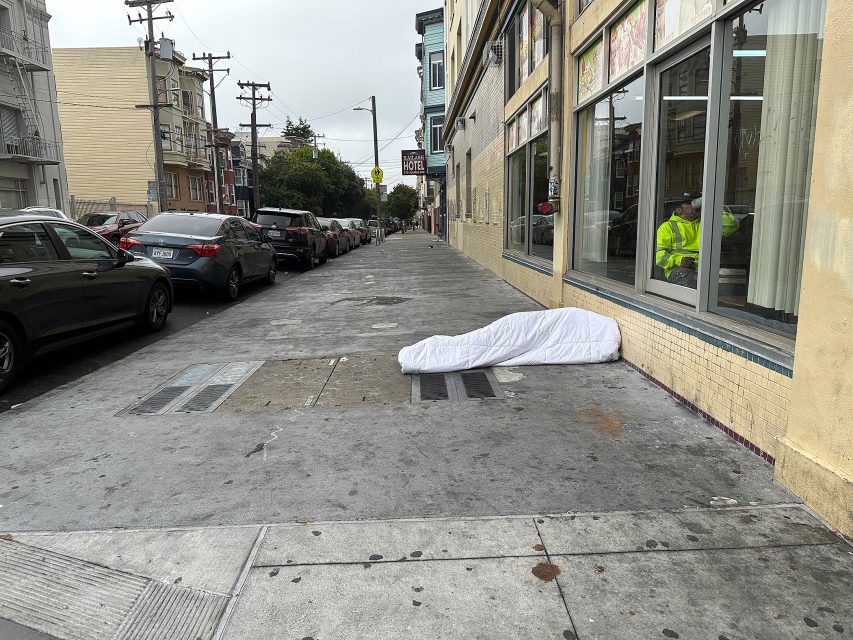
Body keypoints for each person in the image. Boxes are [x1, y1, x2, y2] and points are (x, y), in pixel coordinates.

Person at [655, 193, 739, 288]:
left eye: (695, 202)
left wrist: (713, 209)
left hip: (706, 268)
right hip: (679, 269)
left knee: (730, 284)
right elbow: (659, 256)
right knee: (689, 280)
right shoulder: (667, 227)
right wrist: (679, 260)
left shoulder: (706, 222)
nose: (694, 205)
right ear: (679, 210)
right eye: (689, 203)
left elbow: (732, 225)